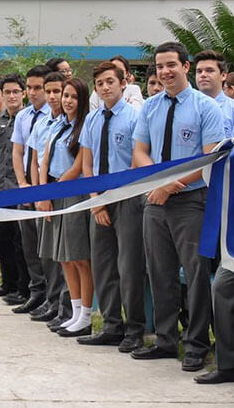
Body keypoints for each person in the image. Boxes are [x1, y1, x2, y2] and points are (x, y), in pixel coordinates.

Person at [130, 42, 224, 372]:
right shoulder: (151, 107)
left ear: (186, 66)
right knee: (160, 272)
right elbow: (140, 151)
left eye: (171, 64)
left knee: (196, 274)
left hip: (190, 202)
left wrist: (170, 186)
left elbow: (209, 156)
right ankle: (166, 339)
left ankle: (197, 344)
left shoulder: (205, 107)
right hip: (155, 202)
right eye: (159, 66)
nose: (165, 72)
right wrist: (158, 185)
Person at [76, 61, 147, 351]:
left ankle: (134, 330)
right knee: (103, 265)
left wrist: (114, 198)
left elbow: (135, 161)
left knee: (129, 266)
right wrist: (95, 201)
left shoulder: (135, 117)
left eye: (110, 82)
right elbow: (87, 163)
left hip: (127, 199)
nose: (105, 87)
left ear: (123, 83)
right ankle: (110, 324)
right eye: (100, 83)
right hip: (99, 200)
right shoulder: (92, 120)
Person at [39, 78, 93, 337]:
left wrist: (56, 189)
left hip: (74, 194)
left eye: (73, 96)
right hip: (55, 193)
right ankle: (73, 312)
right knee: (65, 259)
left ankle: (86, 315)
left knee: (80, 258)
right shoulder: (57, 125)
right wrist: (44, 193)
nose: (67, 101)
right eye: (66, 96)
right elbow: (44, 160)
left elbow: (78, 167)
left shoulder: (85, 128)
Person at [27, 72, 70, 325]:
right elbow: (35, 160)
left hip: (63, 191)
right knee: (47, 253)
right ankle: (52, 301)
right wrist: (38, 192)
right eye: (49, 91)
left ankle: (64, 305)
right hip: (44, 191)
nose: (53, 96)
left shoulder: (72, 121)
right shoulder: (42, 123)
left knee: (65, 253)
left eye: (57, 91)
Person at [0, 74, 30, 305]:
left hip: (22, 187)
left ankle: (24, 288)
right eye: (7, 92)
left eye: (15, 92)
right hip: (2, 187)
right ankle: (8, 283)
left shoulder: (30, 118)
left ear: (23, 93)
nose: (11, 96)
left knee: (20, 241)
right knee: (2, 240)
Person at [11, 65, 52, 315]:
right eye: (30, 87)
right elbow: (18, 152)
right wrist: (22, 183)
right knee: (28, 244)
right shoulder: (23, 116)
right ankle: (36, 290)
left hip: (44, 187)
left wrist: (37, 189)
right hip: (25, 185)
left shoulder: (53, 116)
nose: (33, 92)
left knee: (46, 246)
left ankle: (51, 294)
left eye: (39, 88)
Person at [194, 50, 234, 137]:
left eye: (209, 70)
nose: (203, 75)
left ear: (223, 75)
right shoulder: (186, 106)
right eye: (199, 71)